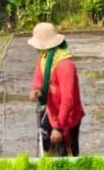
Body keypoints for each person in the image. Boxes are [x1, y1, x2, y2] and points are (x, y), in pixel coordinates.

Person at [28, 22, 85, 157]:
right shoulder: (45, 57)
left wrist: (58, 128)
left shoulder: (65, 65)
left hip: (67, 117)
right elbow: (39, 76)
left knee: (65, 154)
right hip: (52, 111)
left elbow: (68, 101)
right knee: (49, 150)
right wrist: (35, 89)